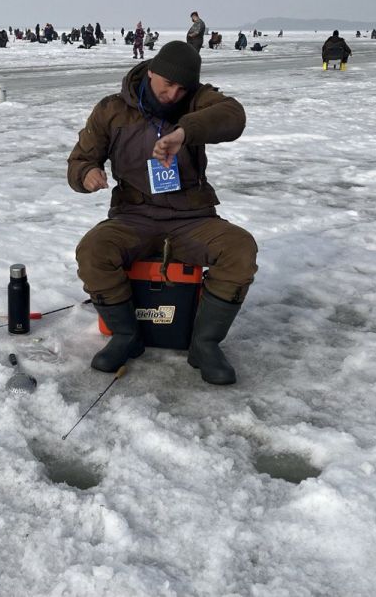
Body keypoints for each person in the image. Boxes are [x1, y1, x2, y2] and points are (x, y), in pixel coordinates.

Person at [67, 41, 257, 384]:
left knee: (240, 249)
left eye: (182, 88)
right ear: (151, 71)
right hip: (133, 216)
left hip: (192, 217)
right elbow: (80, 159)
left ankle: (204, 343)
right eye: (167, 84)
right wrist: (86, 174)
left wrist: (185, 131)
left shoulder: (197, 100)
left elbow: (233, 116)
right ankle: (126, 335)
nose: (173, 94)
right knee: (93, 251)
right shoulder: (112, 110)